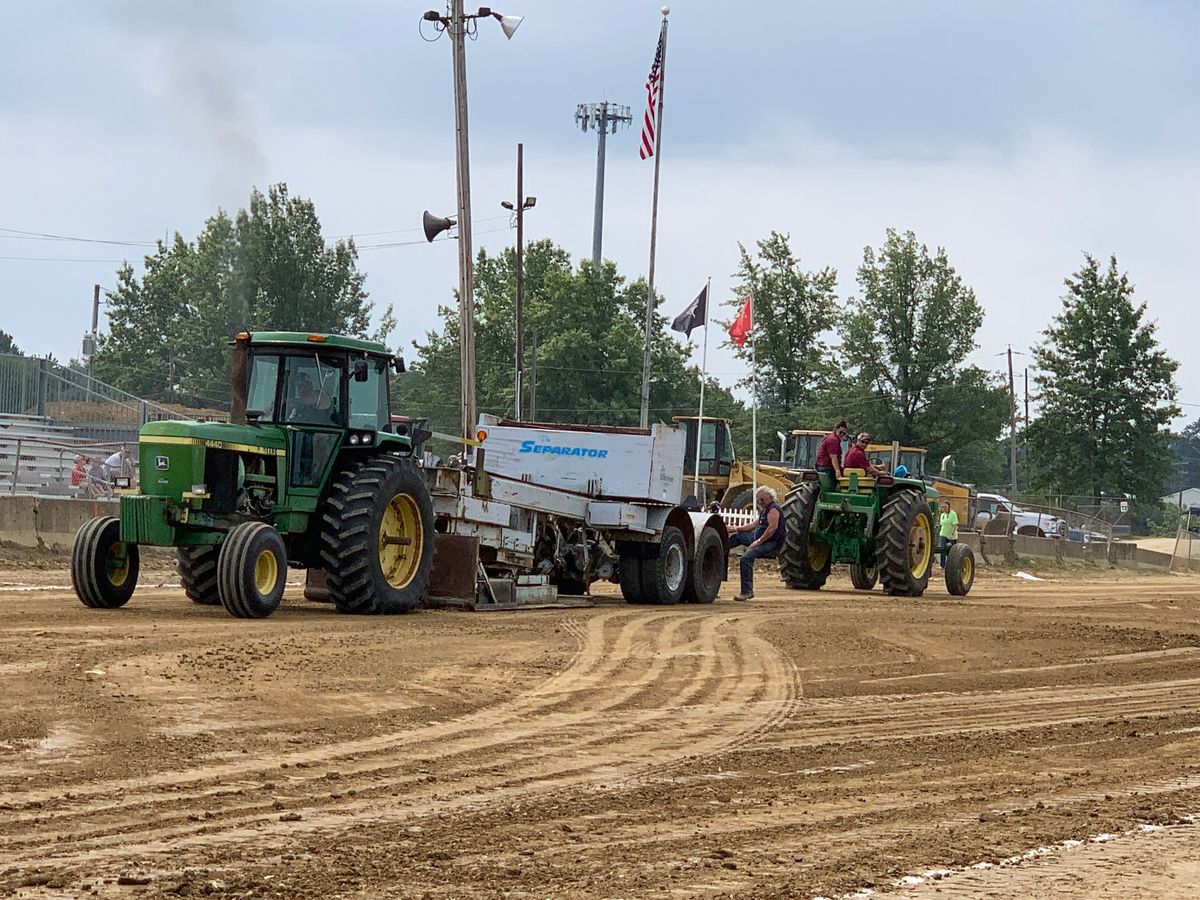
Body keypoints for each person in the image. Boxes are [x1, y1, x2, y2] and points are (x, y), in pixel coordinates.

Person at [727, 486, 785, 602]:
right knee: (738, 537)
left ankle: (747, 592)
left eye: (762, 499)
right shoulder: (765, 509)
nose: (760, 502)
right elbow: (753, 525)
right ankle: (722, 549)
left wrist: (758, 542)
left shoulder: (774, 509)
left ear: (769, 497)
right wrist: (735, 529)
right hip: (758, 539)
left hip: (770, 543)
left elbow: (772, 529)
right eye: (758, 500)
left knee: (745, 558)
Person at [815, 419, 848, 487]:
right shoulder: (833, 440)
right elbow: (833, 457)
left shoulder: (832, 438)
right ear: (836, 429)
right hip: (826, 467)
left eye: (844, 433)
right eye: (840, 432)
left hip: (823, 466)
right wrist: (837, 471)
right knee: (845, 480)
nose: (842, 434)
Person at [938, 499, 959, 568]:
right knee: (942, 549)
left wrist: (951, 534)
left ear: (949, 507)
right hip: (943, 534)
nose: (944, 508)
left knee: (950, 551)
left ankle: (950, 565)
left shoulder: (953, 514)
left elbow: (954, 525)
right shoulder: (942, 515)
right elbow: (941, 524)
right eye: (942, 507)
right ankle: (942, 565)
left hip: (951, 536)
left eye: (945, 507)